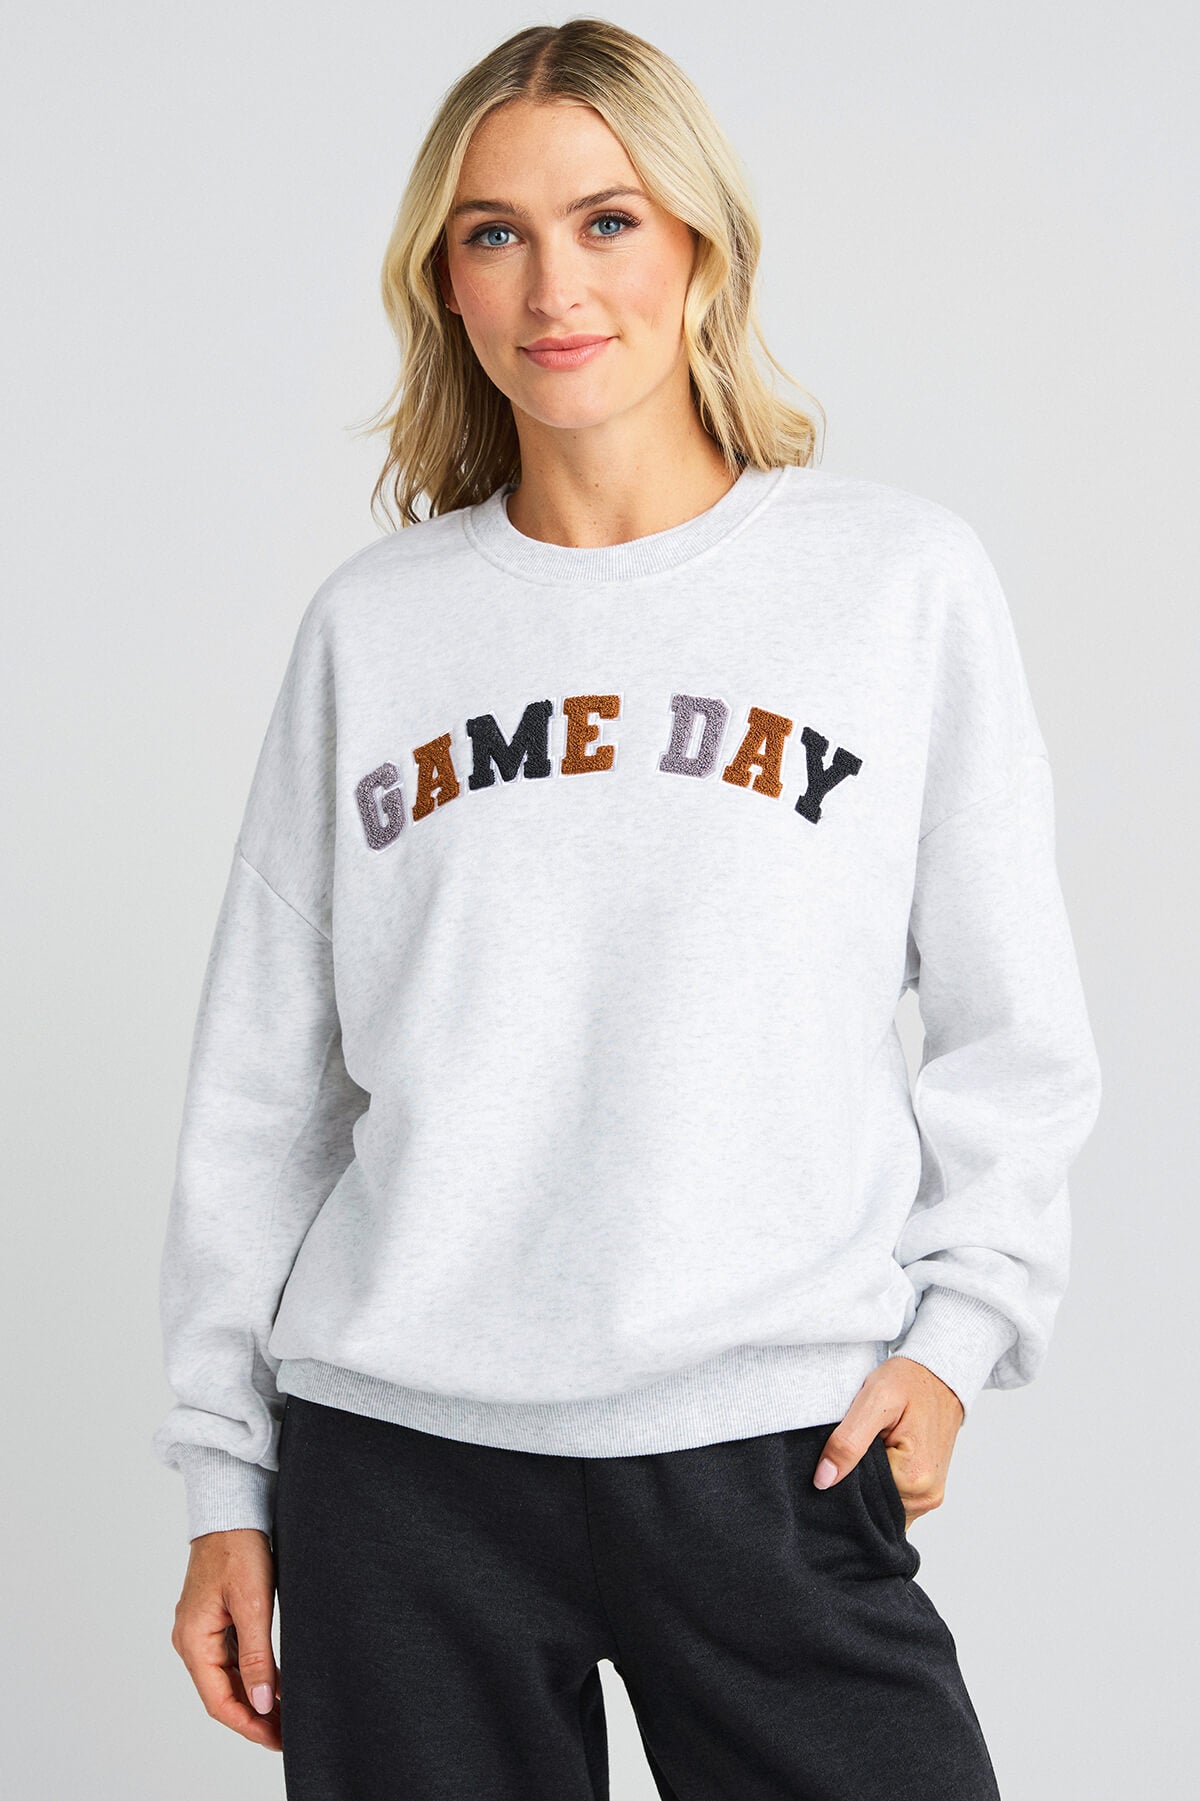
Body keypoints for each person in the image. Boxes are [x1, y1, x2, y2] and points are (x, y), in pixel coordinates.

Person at [152, 18, 1102, 1800]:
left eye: (607, 220)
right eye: (493, 233)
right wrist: (224, 1474)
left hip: (776, 1447)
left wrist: (957, 1338)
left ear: (701, 248)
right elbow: (264, 1093)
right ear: (443, 281)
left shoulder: (892, 584)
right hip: (404, 1471)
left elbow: (1015, 1026)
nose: (553, 285)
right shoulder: (377, 628)